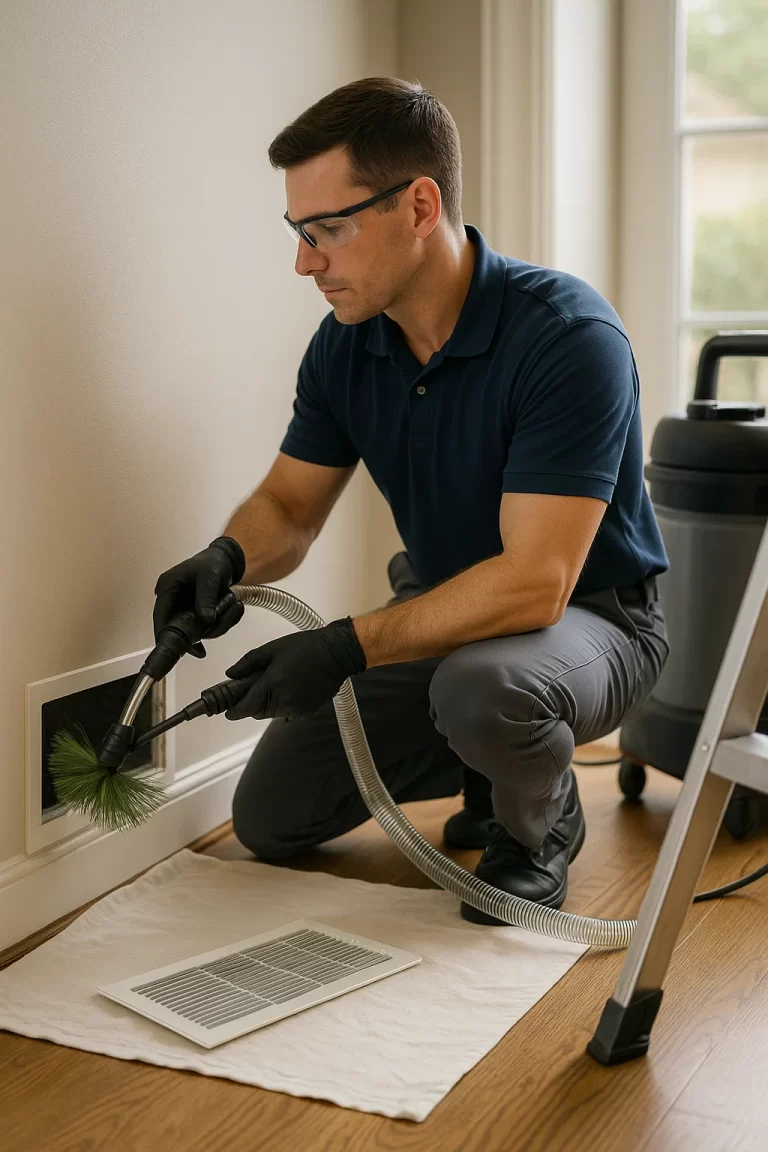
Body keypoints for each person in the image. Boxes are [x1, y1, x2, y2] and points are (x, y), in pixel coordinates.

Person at [152, 78, 669, 924]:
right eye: (298, 231)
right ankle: (494, 761)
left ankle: (538, 824)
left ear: (420, 206)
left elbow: (537, 583)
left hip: (596, 619)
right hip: (447, 619)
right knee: (274, 817)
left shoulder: (568, 337)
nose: (305, 262)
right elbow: (290, 506)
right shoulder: (346, 347)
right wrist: (227, 558)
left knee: (484, 688)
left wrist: (344, 646)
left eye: (328, 229)